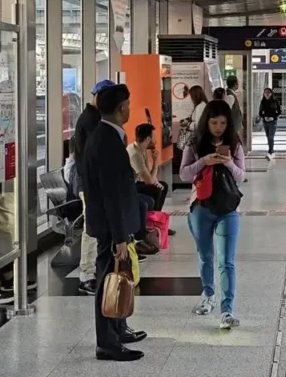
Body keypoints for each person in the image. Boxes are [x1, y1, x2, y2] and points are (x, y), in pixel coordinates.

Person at [81, 84, 148, 362]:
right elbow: (111, 194)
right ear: (122, 108)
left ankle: (119, 328)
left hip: (115, 224)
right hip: (111, 228)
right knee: (109, 280)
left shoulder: (106, 136)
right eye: (128, 104)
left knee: (121, 277)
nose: (130, 109)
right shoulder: (107, 141)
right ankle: (107, 342)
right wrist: (120, 236)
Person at [178, 99, 246, 330]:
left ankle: (227, 310)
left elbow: (241, 177)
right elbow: (185, 175)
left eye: (223, 123)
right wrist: (203, 161)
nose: (218, 127)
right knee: (205, 256)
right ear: (206, 122)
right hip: (201, 207)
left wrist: (228, 163)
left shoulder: (234, 144)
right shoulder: (194, 143)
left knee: (226, 261)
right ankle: (208, 295)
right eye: (214, 122)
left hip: (229, 209)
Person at [70, 79, 114, 296]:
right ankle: (86, 275)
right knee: (91, 226)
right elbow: (90, 157)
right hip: (89, 182)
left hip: (93, 181)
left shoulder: (96, 117)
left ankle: (94, 270)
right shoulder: (91, 120)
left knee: (96, 224)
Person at [129, 123, 175, 236]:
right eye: (154, 137)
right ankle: (151, 225)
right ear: (148, 139)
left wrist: (155, 181)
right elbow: (149, 180)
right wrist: (156, 162)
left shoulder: (142, 149)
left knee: (162, 186)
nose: (156, 140)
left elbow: (150, 177)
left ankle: (157, 222)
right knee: (155, 190)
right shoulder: (135, 154)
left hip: (138, 182)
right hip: (129, 186)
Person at [258, 87, 281, 159]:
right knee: (268, 137)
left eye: (268, 92)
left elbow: (279, 112)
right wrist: (264, 117)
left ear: (271, 93)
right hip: (265, 122)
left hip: (273, 121)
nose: (267, 94)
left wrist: (273, 117)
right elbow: (260, 112)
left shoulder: (275, 101)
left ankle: (270, 152)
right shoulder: (263, 101)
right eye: (265, 93)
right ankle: (271, 150)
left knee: (271, 137)